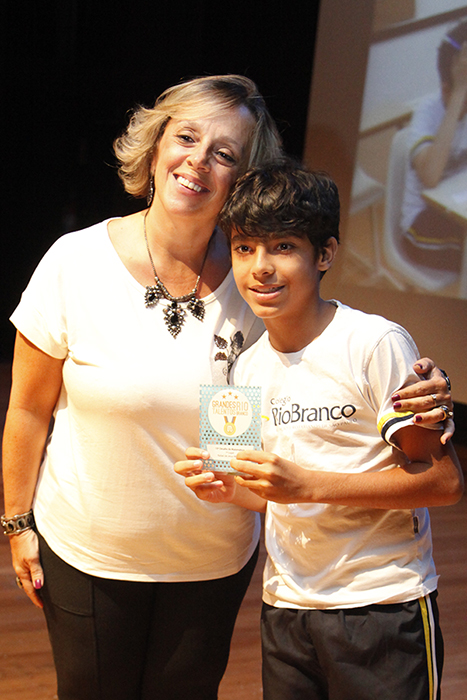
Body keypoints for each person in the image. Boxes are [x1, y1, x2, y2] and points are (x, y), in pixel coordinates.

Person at [0, 73, 453, 700]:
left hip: (213, 560)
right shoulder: (74, 261)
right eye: (186, 138)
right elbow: (27, 410)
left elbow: (321, 366)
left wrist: (425, 388)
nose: (198, 161)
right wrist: (17, 523)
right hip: (89, 553)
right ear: (156, 147)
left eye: (224, 153)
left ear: (243, 178)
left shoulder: (257, 278)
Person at [175, 159, 463, 700]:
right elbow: (271, 496)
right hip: (286, 605)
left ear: (325, 254)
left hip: (382, 605)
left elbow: (443, 483)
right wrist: (228, 488)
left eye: (282, 247)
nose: (260, 267)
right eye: (244, 248)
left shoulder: (374, 343)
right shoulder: (244, 366)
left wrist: (307, 485)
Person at [401, 19, 467, 271]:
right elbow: (430, 177)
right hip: (421, 225)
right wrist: (459, 95)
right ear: (446, 88)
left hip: (457, 211)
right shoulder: (427, 113)